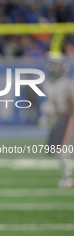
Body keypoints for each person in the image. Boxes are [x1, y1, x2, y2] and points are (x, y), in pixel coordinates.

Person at [42, 57, 74, 188]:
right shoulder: (50, 85)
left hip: (68, 118)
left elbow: (71, 108)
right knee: (52, 149)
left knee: (61, 150)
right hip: (60, 119)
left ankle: (67, 178)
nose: (55, 69)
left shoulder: (67, 85)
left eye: (58, 66)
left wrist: (56, 112)